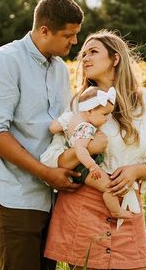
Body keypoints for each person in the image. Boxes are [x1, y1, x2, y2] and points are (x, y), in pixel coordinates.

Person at [0, 0, 106, 270]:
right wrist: (47, 174)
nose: (75, 43)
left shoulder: (57, 70)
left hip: (50, 197)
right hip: (12, 194)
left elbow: (62, 128)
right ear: (44, 30)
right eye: (69, 35)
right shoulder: (5, 62)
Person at [41, 30, 146, 270]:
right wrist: (85, 152)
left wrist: (137, 170)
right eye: (82, 53)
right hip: (83, 210)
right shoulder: (77, 105)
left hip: (128, 208)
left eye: (93, 52)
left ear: (115, 58)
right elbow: (51, 158)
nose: (84, 57)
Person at [49, 85, 132, 220]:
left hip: (78, 164)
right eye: (104, 114)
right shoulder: (86, 128)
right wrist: (92, 166)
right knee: (108, 187)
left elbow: (53, 128)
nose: (106, 119)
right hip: (83, 167)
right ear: (89, 111)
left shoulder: (72, 118)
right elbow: (80, 149)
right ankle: (117, 212)